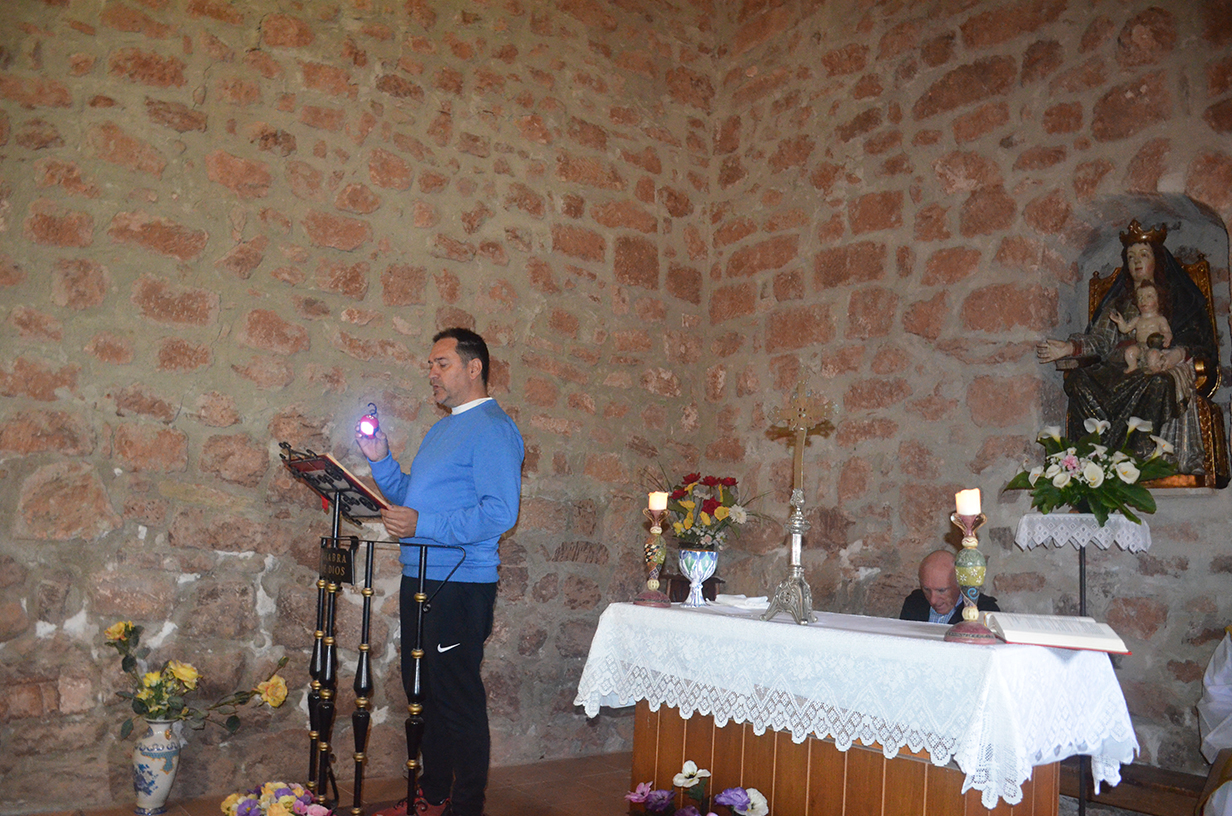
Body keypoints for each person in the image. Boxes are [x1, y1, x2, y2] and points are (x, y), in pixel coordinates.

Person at [358, 328, 524, 816]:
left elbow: (500, 513)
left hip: (459, 583)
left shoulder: (493, 428)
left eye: (441, 363)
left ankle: (466, 806)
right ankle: (432, 797)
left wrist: (423, 525)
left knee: (456, 699)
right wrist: (381, 461)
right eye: (430, 365)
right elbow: (412, 500)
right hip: (423, 577)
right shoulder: (443, 428)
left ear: (474, 368)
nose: (431, 373)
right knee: (425, 697)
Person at [1036, 220, 1217, 473]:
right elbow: (1100, 340)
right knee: (1078, 381)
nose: (1136, 262)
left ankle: (1143, 455)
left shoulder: (1178, 299)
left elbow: (1197, 340)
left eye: (1143, 255)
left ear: (1158, 260)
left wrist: (1176, 354)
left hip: (1157, 365)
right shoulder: (1118, 303)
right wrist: (1069, 348)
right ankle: (1092, 458)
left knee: (1159, 383)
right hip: (1118, 367)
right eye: (1131, 257)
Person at [899, 549, 999, 625]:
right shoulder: (914, 604)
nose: (933, 600)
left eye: (941, 591)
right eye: (926, 589)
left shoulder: (983, 612)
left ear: (960, 584)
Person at [1110, 283, 1172, 374]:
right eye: (1140, 298)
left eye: (1149, 296)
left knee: (1153, 356)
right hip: (1140, 346)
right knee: (1129, 352)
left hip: (1154, 347)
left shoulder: (1160, 319)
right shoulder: (1137, 319)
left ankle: (1155, 371)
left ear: (1159, 300)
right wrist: (1120, 322)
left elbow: (1167, 332)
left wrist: (1167, 337)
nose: (1143, 301)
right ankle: (1132, 367)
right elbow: (1125, 329)